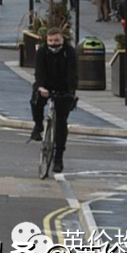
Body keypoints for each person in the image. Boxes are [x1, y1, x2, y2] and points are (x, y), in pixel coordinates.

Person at [30, 27, 78, 174]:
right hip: (46, 85)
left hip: (64, 87)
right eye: (51, 41)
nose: (53, 44)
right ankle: (38, 126)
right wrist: (40, 87)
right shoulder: (42, 52)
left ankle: (58, 158)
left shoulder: (69, 52)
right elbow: (39, 72)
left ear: (62, 39)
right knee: (35, 101)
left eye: (57, 40)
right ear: (47, 41)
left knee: (61, 123)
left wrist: (70, 91)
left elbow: (73, 73)